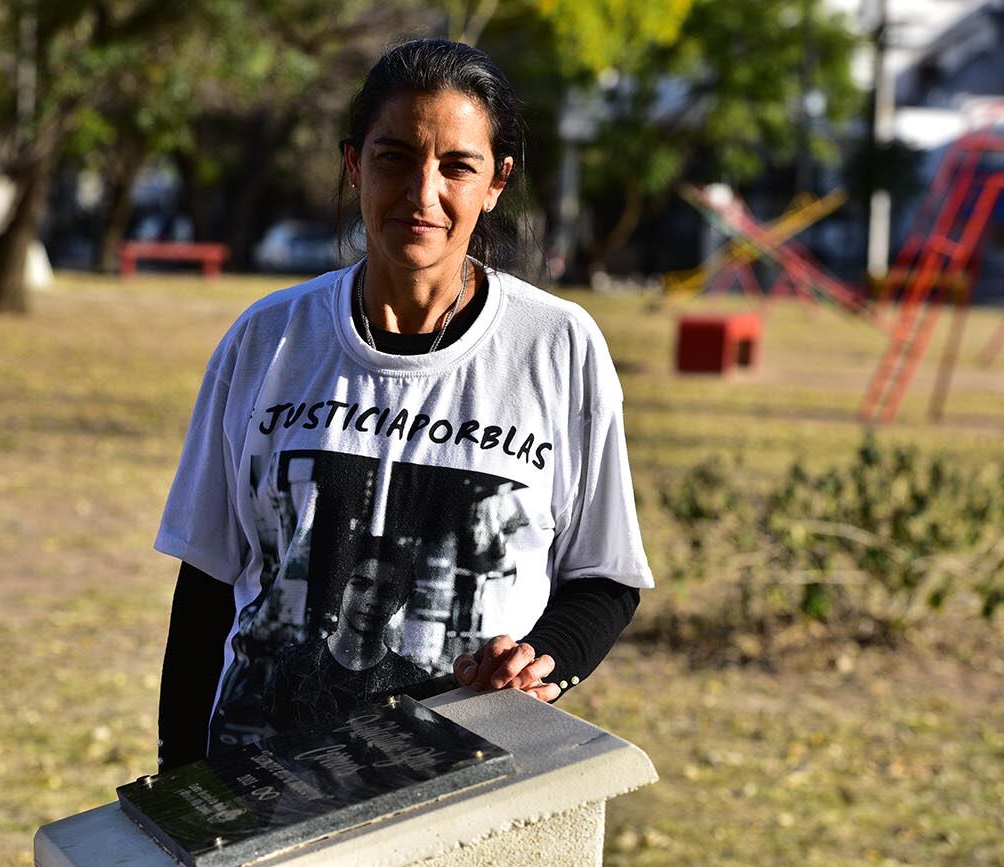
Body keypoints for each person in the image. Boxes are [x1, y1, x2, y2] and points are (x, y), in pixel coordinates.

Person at [154, 39, 653, 771]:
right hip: (258, 786)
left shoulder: (557, 347)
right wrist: (178, 783)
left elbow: (604, 576)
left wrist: (538, 660)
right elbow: (205, 586)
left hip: (467, 786)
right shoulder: (267, 340)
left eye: (457, 165)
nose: (422, 192)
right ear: (354, 164)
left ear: (497, 182)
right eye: (394, 157)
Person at [265, 538, 430, 730]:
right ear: (339, 589)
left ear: (399, 603)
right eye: (360, 585)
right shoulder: (294, 662)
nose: (372, 600)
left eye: (387, 591)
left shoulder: (413, 682)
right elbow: (270, 741)